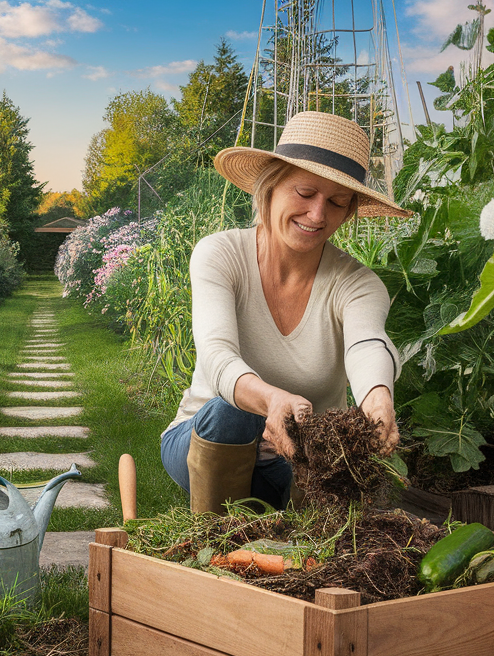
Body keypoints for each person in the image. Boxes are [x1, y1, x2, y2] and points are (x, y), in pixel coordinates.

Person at [160, 111, 411, 513]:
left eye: (336, 202)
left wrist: (377, 400)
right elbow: (217, 354)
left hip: (294, 455)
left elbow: (369, 344)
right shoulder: (220, 254)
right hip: (204, 441)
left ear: (348, 212)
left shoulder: (358, 284)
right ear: (271, 187)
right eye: (305, 193)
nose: (317, 215)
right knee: (233, 415)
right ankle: (214, 534)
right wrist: (272, 402)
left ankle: (279, 517)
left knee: (321, 472)